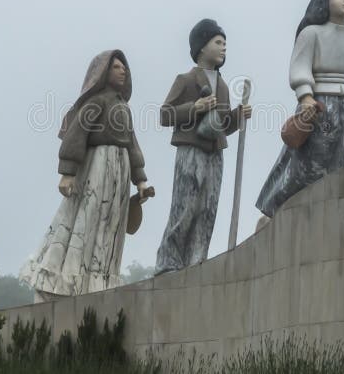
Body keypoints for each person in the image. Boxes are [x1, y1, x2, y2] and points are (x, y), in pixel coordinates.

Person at [20, 50, 150, 299]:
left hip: (120, 172)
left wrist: (141, 179)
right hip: (97, 166)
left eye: (125, 67)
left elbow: (132, 145)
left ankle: (100, 277)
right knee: (87, 218)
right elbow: (77, 134)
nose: (123, 70)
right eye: (116, 67)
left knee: (111, 225)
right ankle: (69, 275)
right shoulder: (97, 102)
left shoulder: (124, 108)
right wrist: (68, 172)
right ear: (102, 72)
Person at [256, 0, 344, 217]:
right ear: (325, 0)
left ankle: (338, 211)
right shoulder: (311, 33)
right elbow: (300, 67)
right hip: (318, 104)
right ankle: (282, 206)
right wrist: (305, 95)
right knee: (310, 162)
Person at [155, 19, 252, 275]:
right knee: (185, 206)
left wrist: (237, 116)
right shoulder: (186, 80)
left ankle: (197, 259)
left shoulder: (222, 85)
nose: (223, 48)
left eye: (225, 44)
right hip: (191, 151)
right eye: (218, 42)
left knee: (208, 208)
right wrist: (194, 108)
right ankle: (169, 261)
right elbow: (165, 115)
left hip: (215, 154)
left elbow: (219, 126)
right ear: (201, 47)